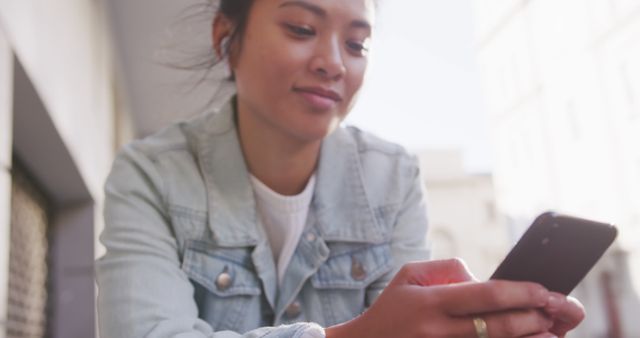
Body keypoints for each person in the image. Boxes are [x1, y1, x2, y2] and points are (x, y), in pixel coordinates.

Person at [96, 0, 586, 337]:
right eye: (301, 29)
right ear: (227, 37)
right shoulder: (150, 175)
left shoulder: (392, 179)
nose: (333, 63)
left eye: (357, 45)